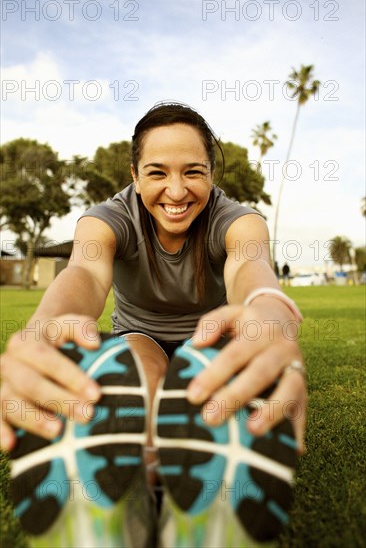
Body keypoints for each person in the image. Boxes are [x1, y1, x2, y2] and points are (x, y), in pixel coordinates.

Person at [1, 103, 307, 547]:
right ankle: (133, 499)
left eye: (194, 172)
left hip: (207, 341)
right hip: (139, 336)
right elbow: (83, 274)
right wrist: (42, 329)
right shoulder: (108, 217)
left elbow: (251, 262)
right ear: (135, 174)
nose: (177, 191)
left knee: (199, 388)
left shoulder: (236, 218)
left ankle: (196, 510)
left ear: (212, 175)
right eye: (158, 172)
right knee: (145, 378)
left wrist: (271, 314)